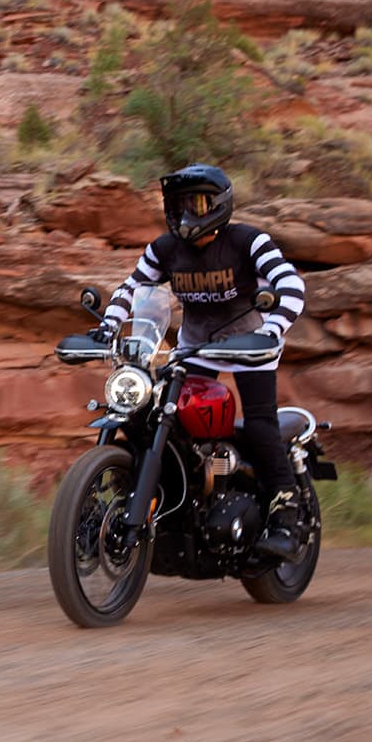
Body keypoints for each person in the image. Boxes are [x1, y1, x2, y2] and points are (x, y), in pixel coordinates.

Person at [98, 164, 309, 561]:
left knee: (261, 425)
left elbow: (291, 284)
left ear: (217, 205)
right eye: (176, 205)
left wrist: (272, 328)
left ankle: (286, 515)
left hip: (251, 346)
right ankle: (182, 501)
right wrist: (109, 326)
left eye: (194, 203)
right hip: (194, 347)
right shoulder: (164, 249)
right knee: (165, 418)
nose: (183, 214)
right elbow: (133, 288)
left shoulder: (248, 241)